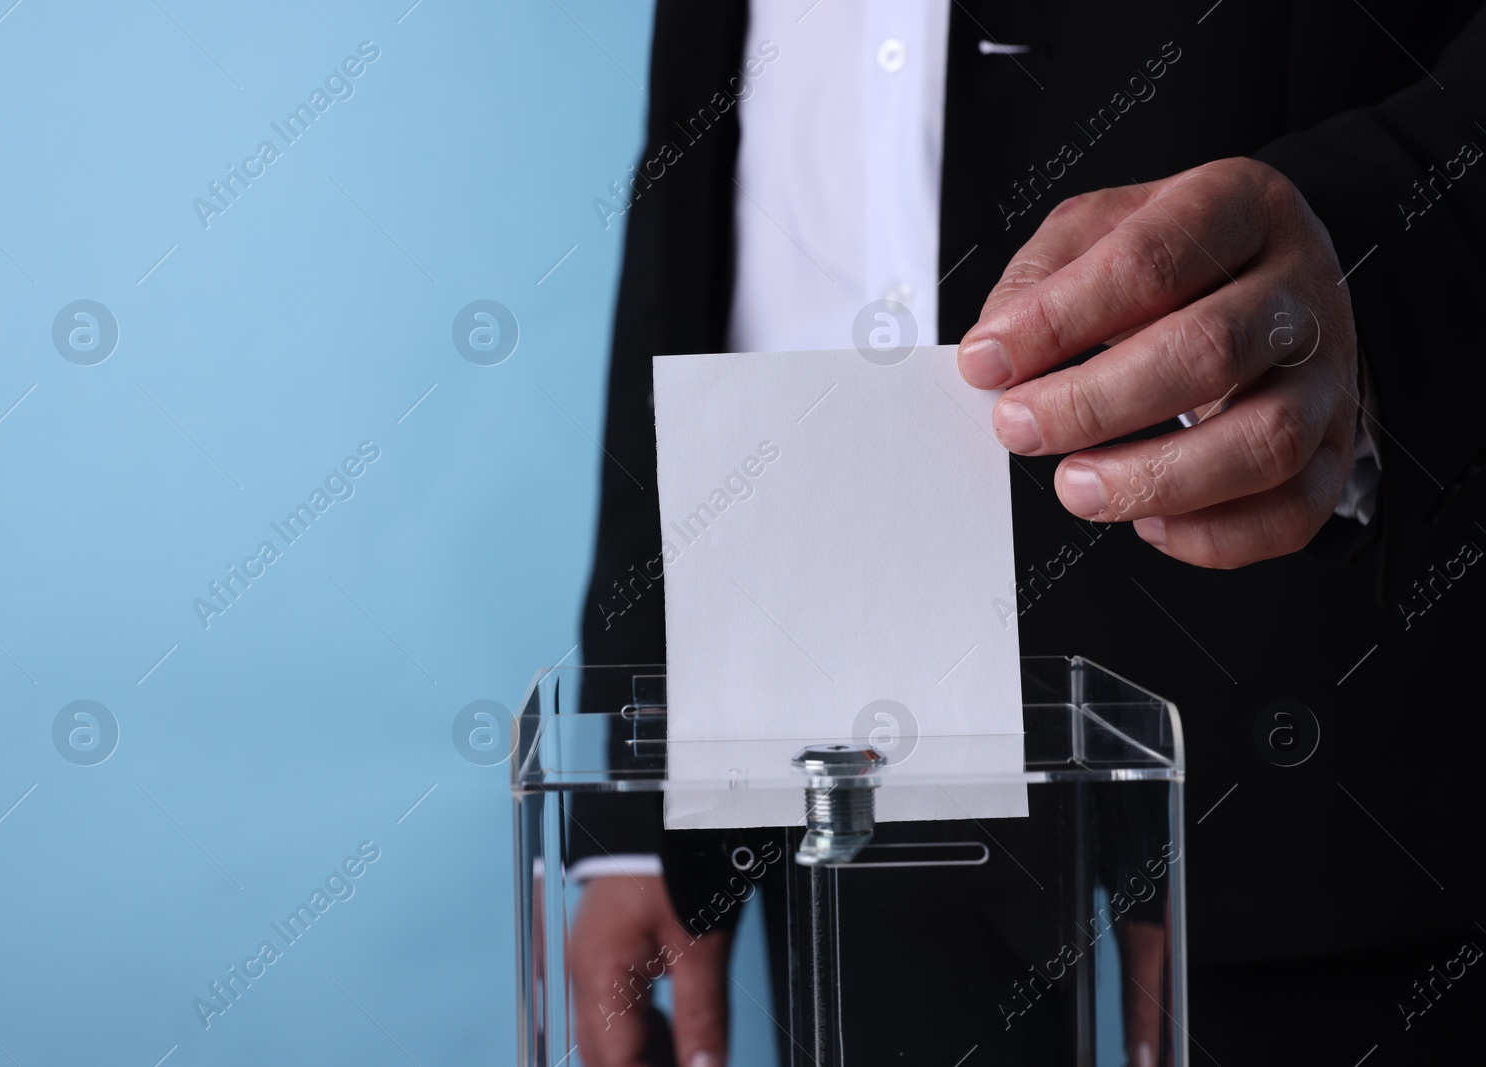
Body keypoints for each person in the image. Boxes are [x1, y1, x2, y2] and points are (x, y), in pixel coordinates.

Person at [571, 2, 1486, 1064]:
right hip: (832, 750)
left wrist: (1372, 254)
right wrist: (635, 786)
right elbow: (708, 195)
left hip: (1311, 744)